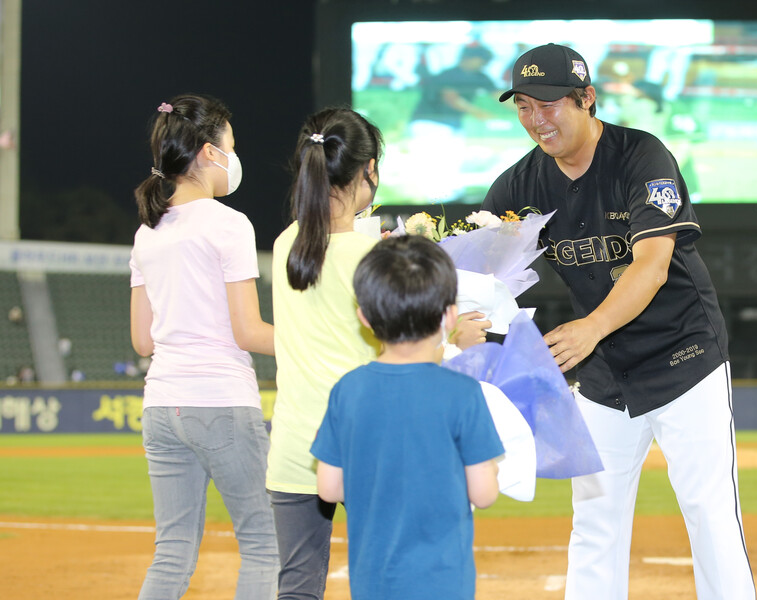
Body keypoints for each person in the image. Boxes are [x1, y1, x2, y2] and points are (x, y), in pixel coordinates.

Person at [482, 44, 756, 600]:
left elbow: (652, 266)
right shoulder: (520, 186)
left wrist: (590, 328)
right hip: (605, 372)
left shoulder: (641, 156)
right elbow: (486, 274)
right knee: (595, 519)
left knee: (709, 512)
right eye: (524, 107)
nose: (537, 120)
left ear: (587, 98)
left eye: (551, 104)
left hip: (685, 357)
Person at [266, 107, 492, 599]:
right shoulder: (367, 257)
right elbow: (403, 340)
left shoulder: (287, 243)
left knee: (297, 586)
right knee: (392, 571)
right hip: (369, 441)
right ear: (367, 171)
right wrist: (456, 337)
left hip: (293, 445)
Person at [129, 94, 279, 600]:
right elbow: (249, 333)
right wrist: (318, 343)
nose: (235, 157)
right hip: (218, 398)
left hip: (160, 405)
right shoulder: (228, 222)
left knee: (171, 550)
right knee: (263, 542)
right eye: (230, 145)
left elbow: (142, 340)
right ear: (209, 153)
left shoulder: (147, 232)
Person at [310, 234, 505, 600]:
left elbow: (329, 488)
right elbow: (484, 493)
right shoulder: (463, 393)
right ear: (450, 315)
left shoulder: (347, 390)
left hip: (373, 582)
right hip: (445, 583)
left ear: (364, 317)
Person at [407, 43, 498, 202]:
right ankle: (437, 203)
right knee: (436, 164)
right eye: (481, 61)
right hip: (429, 124)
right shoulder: (448, 75)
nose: (483, 65)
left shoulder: (480, 76)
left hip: (453, 126)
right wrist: (477, 112)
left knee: (453, 162)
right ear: (469, 58)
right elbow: (451, 98)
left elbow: (499, 95)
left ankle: (452, 199)